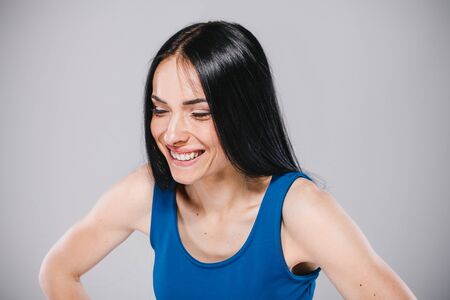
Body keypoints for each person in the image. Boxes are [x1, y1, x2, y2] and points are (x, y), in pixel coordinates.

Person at [39, 21, 417, 299]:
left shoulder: (298, 209)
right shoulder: (147, 190)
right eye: (160, 109)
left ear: (244, 114)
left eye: (199, 114)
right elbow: (58, 269)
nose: (171, 135)